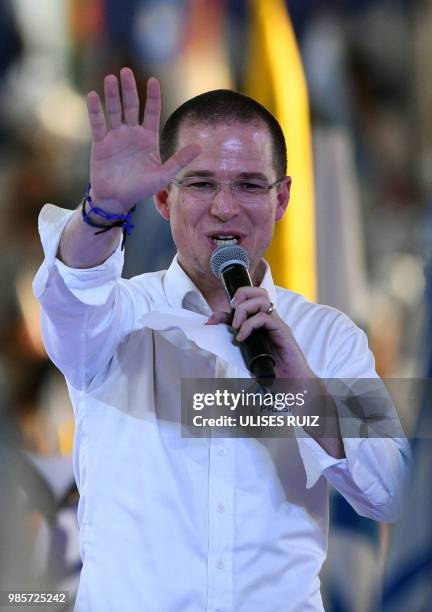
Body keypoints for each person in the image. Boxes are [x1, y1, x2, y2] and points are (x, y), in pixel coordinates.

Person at [33, 67, 410, 612]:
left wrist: (304, 392)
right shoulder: (117, 319)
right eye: (202, 183)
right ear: (163, 199)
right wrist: (103, 211)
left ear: (282, 199)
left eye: (250, 185)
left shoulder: (328, 337)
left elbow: (395, 491)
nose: (225, 208)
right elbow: (71, 291)